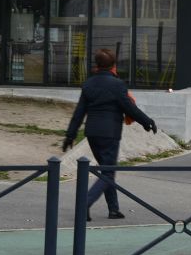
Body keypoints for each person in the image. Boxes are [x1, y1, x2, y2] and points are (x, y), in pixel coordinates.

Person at [62, 48, 157, 221]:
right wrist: (147, 121)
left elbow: (79, 112)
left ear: (97, 65)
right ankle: (84, 204)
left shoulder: (89, 84)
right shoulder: (117, 85)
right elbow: (129, 108)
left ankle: (113, 209)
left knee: (107, 169)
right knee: (107, 172)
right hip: (110, 134)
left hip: (92, 133)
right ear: (113, 65)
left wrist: (70, 135)